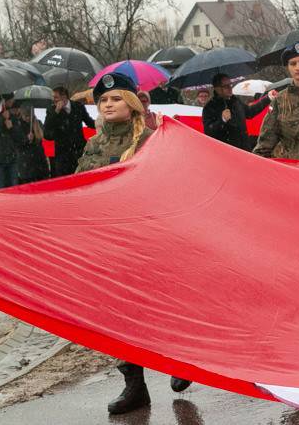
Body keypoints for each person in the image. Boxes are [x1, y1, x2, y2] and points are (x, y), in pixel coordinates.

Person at [74, 72, 191, 414]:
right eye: (103, 101)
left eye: (115, 99)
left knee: (164, 304)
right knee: (121, 312)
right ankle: (134, 385)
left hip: (151, 238)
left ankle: (182, 362)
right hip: (112, 243)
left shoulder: (153, 140)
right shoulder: (93, 146)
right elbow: (80, 188)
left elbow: (172, 185)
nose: (108, 105)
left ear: (132, 103)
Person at [203, 74, 275, 151]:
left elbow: (250, 112)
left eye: (230, 85)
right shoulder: (209, 107)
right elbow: (208, 132)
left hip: (245, 150)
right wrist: (222, 120)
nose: (230, 88)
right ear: (217, 88)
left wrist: (268, 98)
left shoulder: (235, 100)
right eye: (226, 86)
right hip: (226, 153)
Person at [44, 86, 97, 177]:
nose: (54, 100)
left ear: (64, 96)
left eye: (56, 97)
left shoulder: (78, 106)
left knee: (81, 177)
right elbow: (47, 129)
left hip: (79, 150)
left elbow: (89, 122)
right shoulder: (51, 110)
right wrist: (56, 111)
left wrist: (101, 125)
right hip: (62, 153)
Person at [14, 105, 50, 184]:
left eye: (29, 116)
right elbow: (17, 143)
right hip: (25, 162)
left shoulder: (38, 123)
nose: (27, 118)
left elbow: (43, 136)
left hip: (39, 160)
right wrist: (26, 139)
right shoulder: (18, 125)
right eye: (25, 116)